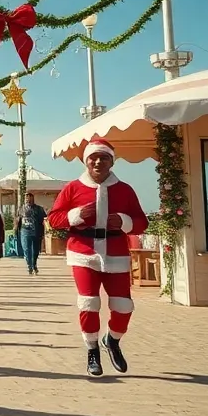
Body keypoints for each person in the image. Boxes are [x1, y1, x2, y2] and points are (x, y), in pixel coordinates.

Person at [48, 136, 148, 377]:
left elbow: (142, 222)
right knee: (89, 302)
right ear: (85, 161)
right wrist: (76, 215)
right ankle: (92, 349)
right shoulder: (73, 187)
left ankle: (112, 340)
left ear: (111, 162)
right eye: (93, 157)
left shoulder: (124, 190)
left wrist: (124, 222)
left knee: (123, 306)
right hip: (84, 253)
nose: (97, 162)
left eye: (103, 157)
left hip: (116, 252)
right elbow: (54, 219)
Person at [18, 192, 47, 274]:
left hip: (36, 232)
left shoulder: (39, 209)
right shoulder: (21, 208)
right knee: (26, 249)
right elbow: (18, 219)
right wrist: (16, 229)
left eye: (29, 197)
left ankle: (34, 264)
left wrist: (44, 231)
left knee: (35, 250)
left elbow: (44, 220)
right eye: (26, 197)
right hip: (25, 231)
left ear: (32, 198)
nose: (27, 199)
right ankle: (29, 265)